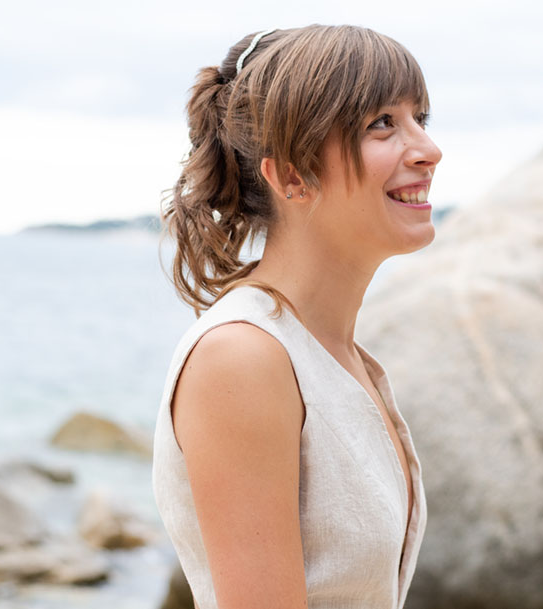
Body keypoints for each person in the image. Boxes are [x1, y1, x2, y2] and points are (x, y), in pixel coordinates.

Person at [152, 24, 442, 609]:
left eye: (419, 118)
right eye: (381, 123)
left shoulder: (337, 355)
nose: (428, 150)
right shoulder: (244, 357)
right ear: (290, 176)